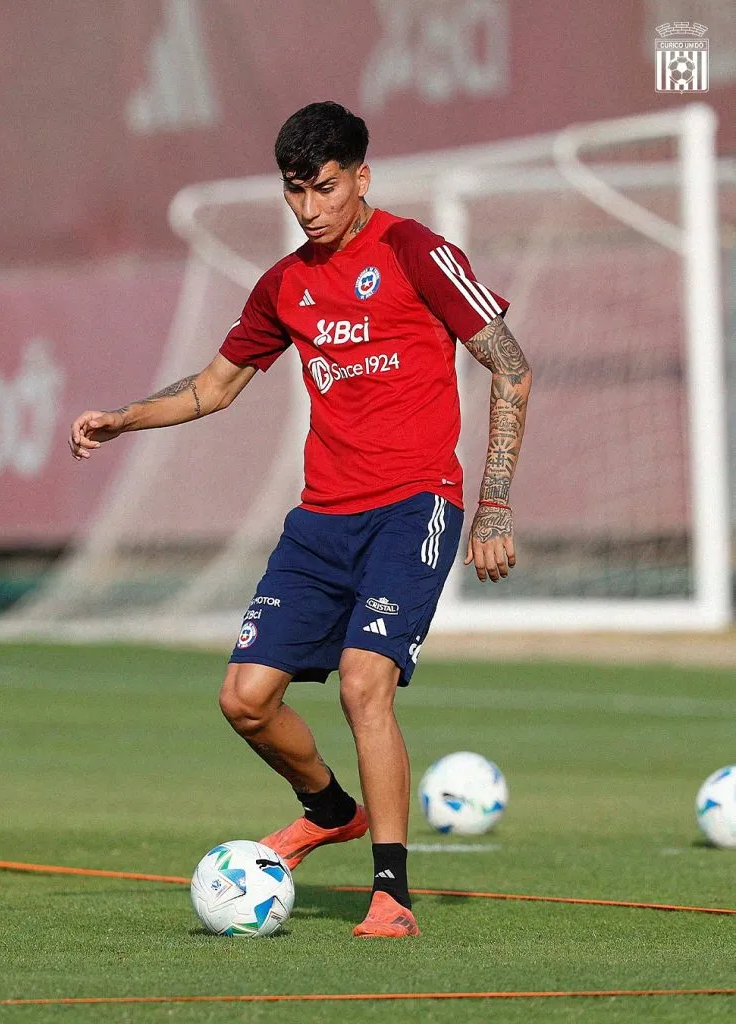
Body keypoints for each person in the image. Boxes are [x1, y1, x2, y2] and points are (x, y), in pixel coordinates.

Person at [69, 101, 531, 939]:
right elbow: (214, 387)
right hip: (320, 521)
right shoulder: (284, 284)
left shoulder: (415, 251)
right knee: (244, 700)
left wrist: (492, 503)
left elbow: (511, 366)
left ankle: (389, 891)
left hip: (413, 505)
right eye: (295, 191)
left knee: (364, 683)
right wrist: (123, 417)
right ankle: (327, 809)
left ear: (361, 175)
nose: (311, 209)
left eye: (324, 188)